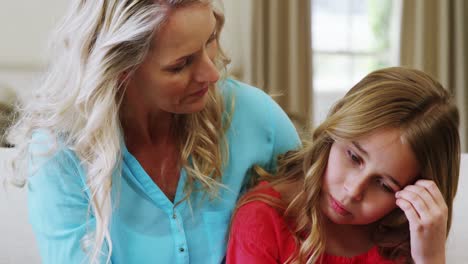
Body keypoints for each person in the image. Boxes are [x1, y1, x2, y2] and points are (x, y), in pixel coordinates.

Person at [5, 1, 300, 263]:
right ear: (121, 69)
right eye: (181, 65)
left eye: (210, 40)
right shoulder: (60, 152)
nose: (211, 74)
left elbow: (323, 229)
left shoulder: (256, 118)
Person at [226, 67, 460, 264]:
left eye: (384, 185)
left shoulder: (407, 241)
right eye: (354, 157)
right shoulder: (264, 220)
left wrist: (431, 258)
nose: (354, 190)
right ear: (334, 130)